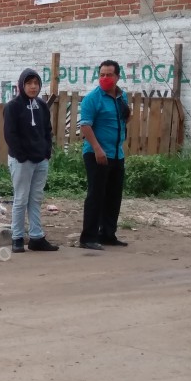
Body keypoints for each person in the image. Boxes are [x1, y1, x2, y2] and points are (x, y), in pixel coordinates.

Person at [2, 68, 58, 253]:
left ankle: (36, 237)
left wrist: (46, 152)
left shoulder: (41, 106)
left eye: (36, 83)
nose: (33, 87)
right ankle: (17, 237)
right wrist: (22, 155)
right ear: (22, 85)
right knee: (21, 199)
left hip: (40, 159)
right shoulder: (13, 107)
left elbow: (46, 130)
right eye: (29, 83)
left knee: (36, 199)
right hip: (22, 161)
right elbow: (10, 134)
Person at [78, 60, 131, 250]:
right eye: (102, 75)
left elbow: (124, 119)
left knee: (114, 195)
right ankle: (88, 237)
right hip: (97, 154)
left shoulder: (122, 96)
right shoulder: (92, 98)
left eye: (109, 75)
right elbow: (85, 125)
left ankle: (108, 234)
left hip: (117, 153)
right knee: (96, 195)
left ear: (117, 77)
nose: (105, 78)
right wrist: (98, 149)